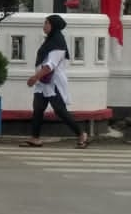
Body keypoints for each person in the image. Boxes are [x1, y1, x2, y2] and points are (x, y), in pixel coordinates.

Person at [23, 14, 88, 148]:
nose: (44, 26)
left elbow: (50, 65)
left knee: (60, 110)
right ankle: (35, 137)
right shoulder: (50, 40)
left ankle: (81, 134)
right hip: (43, 82)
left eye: (47, 23)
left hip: (53, 83)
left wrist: (35, 77)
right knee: (38, 107)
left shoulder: (57, 43)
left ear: (54, 25)